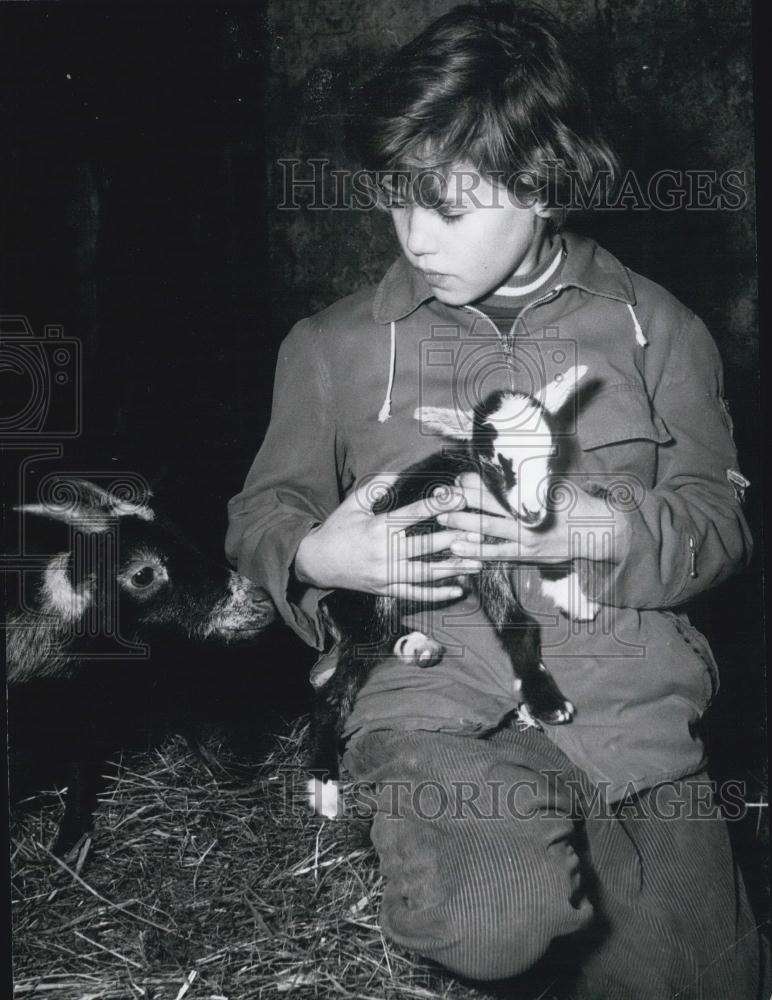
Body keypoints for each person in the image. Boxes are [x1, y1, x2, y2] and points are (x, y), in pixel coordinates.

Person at [225, 4, 768, 995]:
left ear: (546, 186)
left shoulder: (662, 333)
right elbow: (259, 515)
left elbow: (722, 525)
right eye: (398, 198)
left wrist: (593, 527)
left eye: (450, 204)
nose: (414, 235)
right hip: (440, 706)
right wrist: (316, 558)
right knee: (493, 916)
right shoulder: (330, 348)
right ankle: (435, 835)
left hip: (630, 721)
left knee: (713, 980)